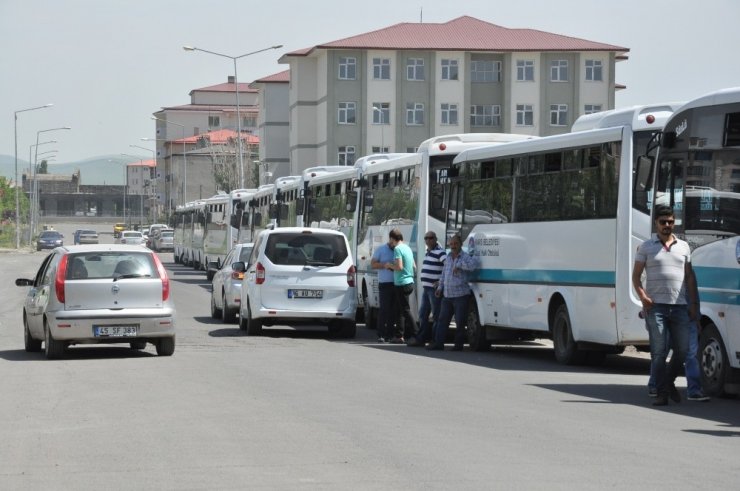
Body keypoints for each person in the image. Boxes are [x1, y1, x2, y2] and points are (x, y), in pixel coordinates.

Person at [632, 205, 699, 406]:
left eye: (670, 221)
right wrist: (643, 296)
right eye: (663, 222)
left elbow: (689, 277)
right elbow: (636, 276)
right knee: (659, 353)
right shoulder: (646, 247)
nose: (667, 225)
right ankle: (662, 392)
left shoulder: (684, 246)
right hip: (656, 308)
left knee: (683, 350)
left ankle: (668, 381)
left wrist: (694, 303)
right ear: (656, 224)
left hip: (679, 307)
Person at [427, 234, 479, 351]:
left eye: (455, 244)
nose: (453, 246)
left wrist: (460, 265)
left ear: (460, 244)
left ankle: (458, 345)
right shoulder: (448, 257)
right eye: (451, 244)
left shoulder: (464, 257)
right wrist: (440, 288)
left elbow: (473, 265)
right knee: (442, 320)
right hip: (447, 295)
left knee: (460, 322)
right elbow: (444, 275)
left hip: (461, 295)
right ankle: (438, 343)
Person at [408, 231, 446, 347]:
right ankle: (421, 338)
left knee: (436, 315)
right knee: (422, 314)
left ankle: (435, 340)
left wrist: (440, 282)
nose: (428, 240)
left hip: (434, 290)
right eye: (426, 238)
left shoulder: (440, 252)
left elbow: (447, 266)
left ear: (435, 239)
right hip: (427, 288)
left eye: (430, 238)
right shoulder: (428, 252)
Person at [384, 228, 417, 344]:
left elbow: (399, 267)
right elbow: (414, 266)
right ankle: (399, 335)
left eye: (390, 240)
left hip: (401, 284)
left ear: (393, 239)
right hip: (409, 282)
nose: (390, 243)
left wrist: (389, 265)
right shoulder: (407, 248)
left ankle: (416, 334)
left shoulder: (397, 249)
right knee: (400, 310)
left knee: (406, 310)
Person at [370, 237, 397, 343]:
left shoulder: (398, 249)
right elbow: (373, 264)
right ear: (390, 240)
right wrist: (384, 265)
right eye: (393, 241)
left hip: (397, 284)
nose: (394, 244)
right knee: (384, 309)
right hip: (384, 284)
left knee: (393, 311)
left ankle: (390, 335)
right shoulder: (381, 249)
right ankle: (381, 334)